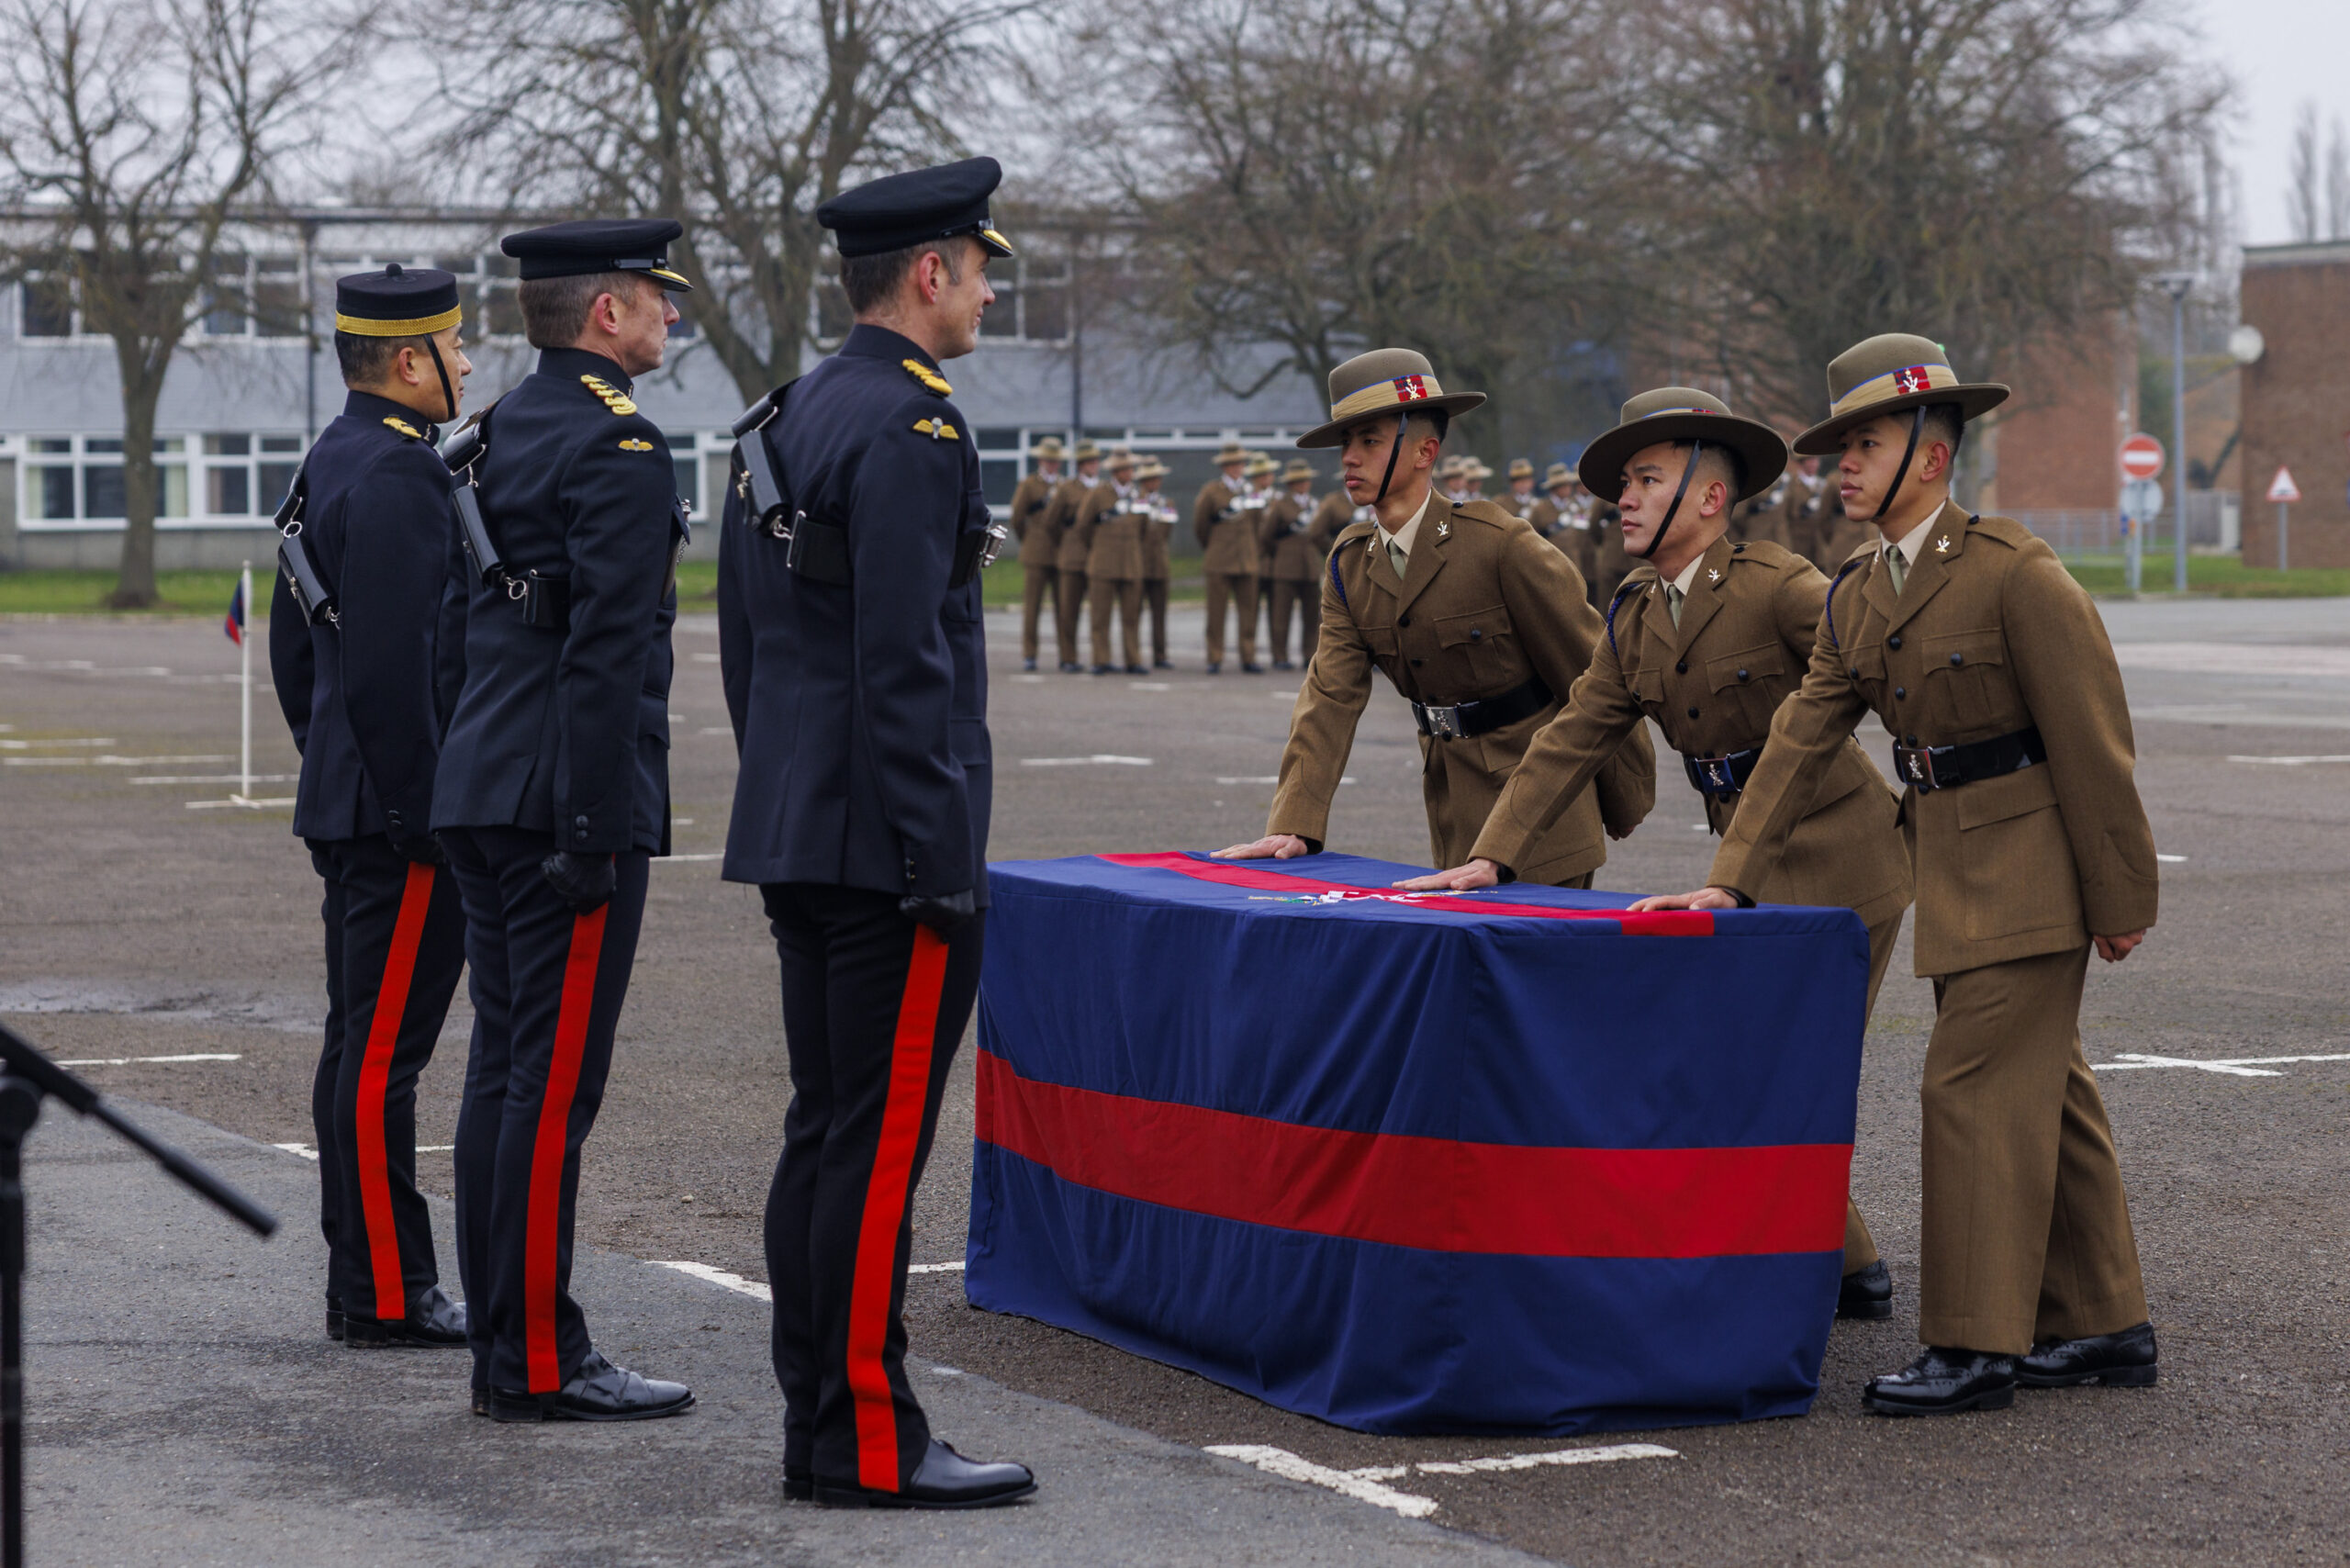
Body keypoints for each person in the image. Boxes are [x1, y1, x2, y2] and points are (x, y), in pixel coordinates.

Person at [1633, 333, 2162, 1417]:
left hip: (2035, 869)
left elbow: (2095, 744)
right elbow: (1796, 739)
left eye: (1864, 444)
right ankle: (2106, 1321)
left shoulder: (2016, 573)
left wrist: (2121, 901)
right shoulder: (1861, 594)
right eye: (1838, 447)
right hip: (1949, 863)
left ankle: (1973, 1345)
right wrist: (1728, 880)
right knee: (2044, 1088)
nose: (1842, 465)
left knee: (1966, 1088)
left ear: (1930, 451)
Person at [1396, 387, 1914, 1320]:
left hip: (1842, 855)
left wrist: (1943, 798)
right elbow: (1571, 736)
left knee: (1772, 1063)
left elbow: (1888, 673)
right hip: (1742, 863)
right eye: (1624, 482)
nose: (1622, 499)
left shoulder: (1780, 585)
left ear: (1709, 499)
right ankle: (1846, 1266)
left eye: (1646, 478)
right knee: (1743, 1060)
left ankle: (1824, 1268)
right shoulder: (1636, 610)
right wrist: (1493, 858)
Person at [717, 155, 1035, 1509]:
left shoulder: (787, 411)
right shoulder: (911, 428)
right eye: (975, 271)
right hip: (890, 848)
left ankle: (826, 1421)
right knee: (873, 1146)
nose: (981, 298)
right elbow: (908, 661)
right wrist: (933, 855)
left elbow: (747, 643)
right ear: (927, 273)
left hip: (803, 823)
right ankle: (862, 1436)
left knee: (828, 1132)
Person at [431, 218, 695, 1425]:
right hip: (561, 805)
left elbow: (458, 624)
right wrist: (593, 832)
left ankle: (505, 1340)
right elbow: (606, 658)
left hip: (484, 782)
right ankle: (538, 1356)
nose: (671, 319)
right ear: (605, 315)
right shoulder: (619, 446)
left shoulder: (494, 434)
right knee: (549, 1086)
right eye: (656, 300)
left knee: (502, 1072)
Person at [1215, 348, 1654, 880]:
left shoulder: (1499, 545)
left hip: (1541, 809)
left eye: (1369, 441)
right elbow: (1329, 696)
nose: (1349, 458)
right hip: (1451, 803)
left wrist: (1627, 796)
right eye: (1346, 443)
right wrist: (1294, 822)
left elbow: (1592, 673)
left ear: (1424, 451)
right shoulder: (1350, 564)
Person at [267, 264, 475, 1350]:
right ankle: (387, 1290)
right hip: (403, 819)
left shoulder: (334, 455)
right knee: (381, 1054)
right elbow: (398, 671)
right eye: (455, 342)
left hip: (355, 799)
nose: (469, 361)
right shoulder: (398, 476)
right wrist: (416, 816)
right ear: (409, 360)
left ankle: (368, 1279)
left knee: (359, 1047)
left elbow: (297, 648)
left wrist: (331, 761)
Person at [1196, 443, 1265, 673]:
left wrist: (1251, 548)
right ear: (1225, 467)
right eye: (1233, 464)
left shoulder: (1252, 490)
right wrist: (1214, 546)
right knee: (1216, 612)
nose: (1238, 468)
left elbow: (1258, 524)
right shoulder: (1212, 491)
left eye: (1241, 464)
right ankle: (1214, 657)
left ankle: (1248, 656)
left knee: (1249, 611)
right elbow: (1200, 525)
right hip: (1219, 559)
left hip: (1247, 559)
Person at [1259, 458, 1328, 670]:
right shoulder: (1280, 505)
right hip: (1285, 567)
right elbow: (1266, 536)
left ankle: (1310, 655)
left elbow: (1319, 534)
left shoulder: (1315, 505)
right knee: (1281, 615)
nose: (1303, 484)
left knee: (1312, 616)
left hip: (1309, 566)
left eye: (1306, 480)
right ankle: (1279, 656)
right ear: (1290, 484)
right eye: (1299, 481)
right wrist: (1279, 553)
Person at [1082, 447, 1147, 675]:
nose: (1129, 473)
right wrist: (1100, 548)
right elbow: (1083, 526)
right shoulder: (1099, 494)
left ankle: (1133, 659)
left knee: (1132, 616)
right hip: (1103, 564)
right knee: (1100, 616)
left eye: (1131, 469)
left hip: (1131, 564)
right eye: (1125, 469)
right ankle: (1101, 659)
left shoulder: (1139, 495)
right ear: (1116, 471)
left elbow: (1145, 530)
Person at [1008, 436, 1065, 672]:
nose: (1052, 465)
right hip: (1035, 552)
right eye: (1048, 460)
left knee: (1065, 608)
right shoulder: (1029, 485)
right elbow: (1017, 518)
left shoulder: (1064, 485)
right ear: (1041, 460)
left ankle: (1067, 655)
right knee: (1033, 607)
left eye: (1055, 461)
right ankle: (1030, 654)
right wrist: (1029, 540)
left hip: (1060, 552)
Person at [1047, 441, 1101, 672]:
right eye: (1089, 462)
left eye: (1096, 462)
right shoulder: (1067, 489)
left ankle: (1101, 657)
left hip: (1098, 556)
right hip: (1072, 556)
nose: (1094, 466)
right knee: (1069, 610)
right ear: (1081, 465)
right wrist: (1066, 540)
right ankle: (1068, 657)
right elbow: (1051, 521)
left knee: (1099, 612)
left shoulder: (1102, 489)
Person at [1136, 457, 1178, 668]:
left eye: (1157, 478)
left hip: (1159, 564)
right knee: (1133, 612)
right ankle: (1133, 655)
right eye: (1149, 478)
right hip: (1138, 564)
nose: (1154, 482)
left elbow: (1166, 533)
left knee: (1159, 613)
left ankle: (1160, 655)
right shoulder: (1135, 501)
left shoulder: (1167, 503)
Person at [1529, 460, 1598, 587]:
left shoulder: (1576, 507)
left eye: (1568, 484)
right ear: (1554, 488)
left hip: (1575, 565)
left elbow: (1586, 536)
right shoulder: (1540, 509)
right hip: (1549, 563)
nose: (1568, 488)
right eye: (1563, 485)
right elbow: (1531, 537)